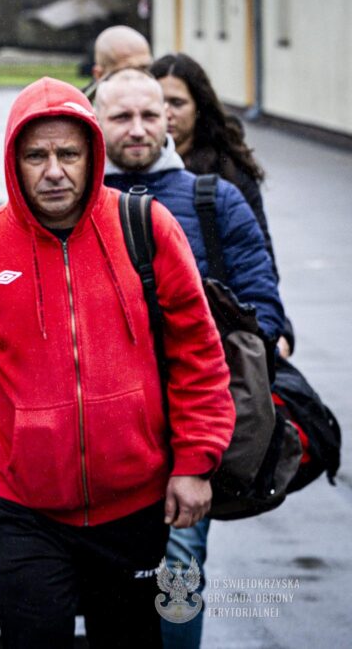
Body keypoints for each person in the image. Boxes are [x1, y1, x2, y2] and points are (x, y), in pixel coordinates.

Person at [0, 77, 236, 648]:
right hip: (22, 509)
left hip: (136, 506)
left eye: (68, 154)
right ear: (13, 161)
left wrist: (195, 461)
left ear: (92, 156)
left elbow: (198, 356)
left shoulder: (148, 228)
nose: (54, 172)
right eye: (36, 156)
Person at [95, 68, 287, 649]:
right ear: (95, 121)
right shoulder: (68, 203)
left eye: (149, 115)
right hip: (100, 432)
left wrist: (212, 374)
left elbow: (262, 308)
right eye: (121, 117)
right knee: (100, 576)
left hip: (185, 428)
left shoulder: (214, 200)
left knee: (176, 570)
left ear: (170, 120)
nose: (137, 129)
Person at [150, 53, 293, 356]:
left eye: (177, 102)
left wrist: (273, 335)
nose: (166, 112)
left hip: (219, 332)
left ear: (198, 107)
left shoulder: (228, 174)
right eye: (158, 101)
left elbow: (258, 263)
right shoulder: (132, 173)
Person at [82, 25, 153, 100]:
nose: (139, 78)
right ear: (99, 75)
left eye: (145, 68)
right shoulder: (78, 105)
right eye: (127, 72)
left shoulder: (158, 99)